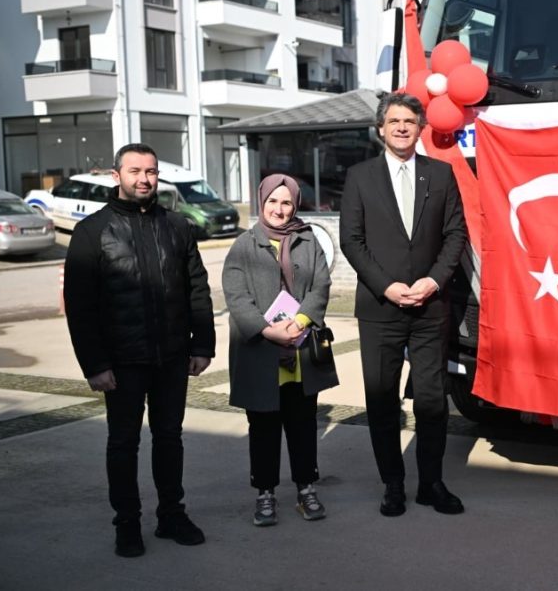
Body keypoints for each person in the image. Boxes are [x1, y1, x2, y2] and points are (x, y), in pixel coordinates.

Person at [64, 143, 215, 558]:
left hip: (170, 358)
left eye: (150, 171)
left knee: (169, 437)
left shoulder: (179, 227)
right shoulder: (92, 232)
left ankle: (171, 515)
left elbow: (196, 289)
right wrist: (95, 364)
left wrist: (202, 344)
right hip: (122, 362)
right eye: (135, 171)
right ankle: (127, 522)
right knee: (123, 443)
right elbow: (80, 306)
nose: (144, 179)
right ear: (117, 176)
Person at [340, 93, 467, 517]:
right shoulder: (359, 176)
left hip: (431, 309)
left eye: (409, 121)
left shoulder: (442, 175)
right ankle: (392, 484)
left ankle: (431, 483)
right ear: (380, 129)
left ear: (420, 128)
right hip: (381, 308)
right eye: (393, 121)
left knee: (432, 400)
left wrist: (433, 281)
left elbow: (455, 236)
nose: (401, 127)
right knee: (382, 400)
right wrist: (387, 286)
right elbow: (351, 241)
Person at [222, 174, 334, 527]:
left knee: (302, 425)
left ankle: (306, 488)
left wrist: (300, 321)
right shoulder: (243, 244)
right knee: (264, 427)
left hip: (300, 352)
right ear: (261, 202)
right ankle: (265, 493)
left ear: (295, 205)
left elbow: (321, 285)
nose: (279, 209)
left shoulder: (308, 240)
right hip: (260, 352)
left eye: (286, 202)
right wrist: (268, 330)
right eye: (273, 201)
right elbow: (236, 297)